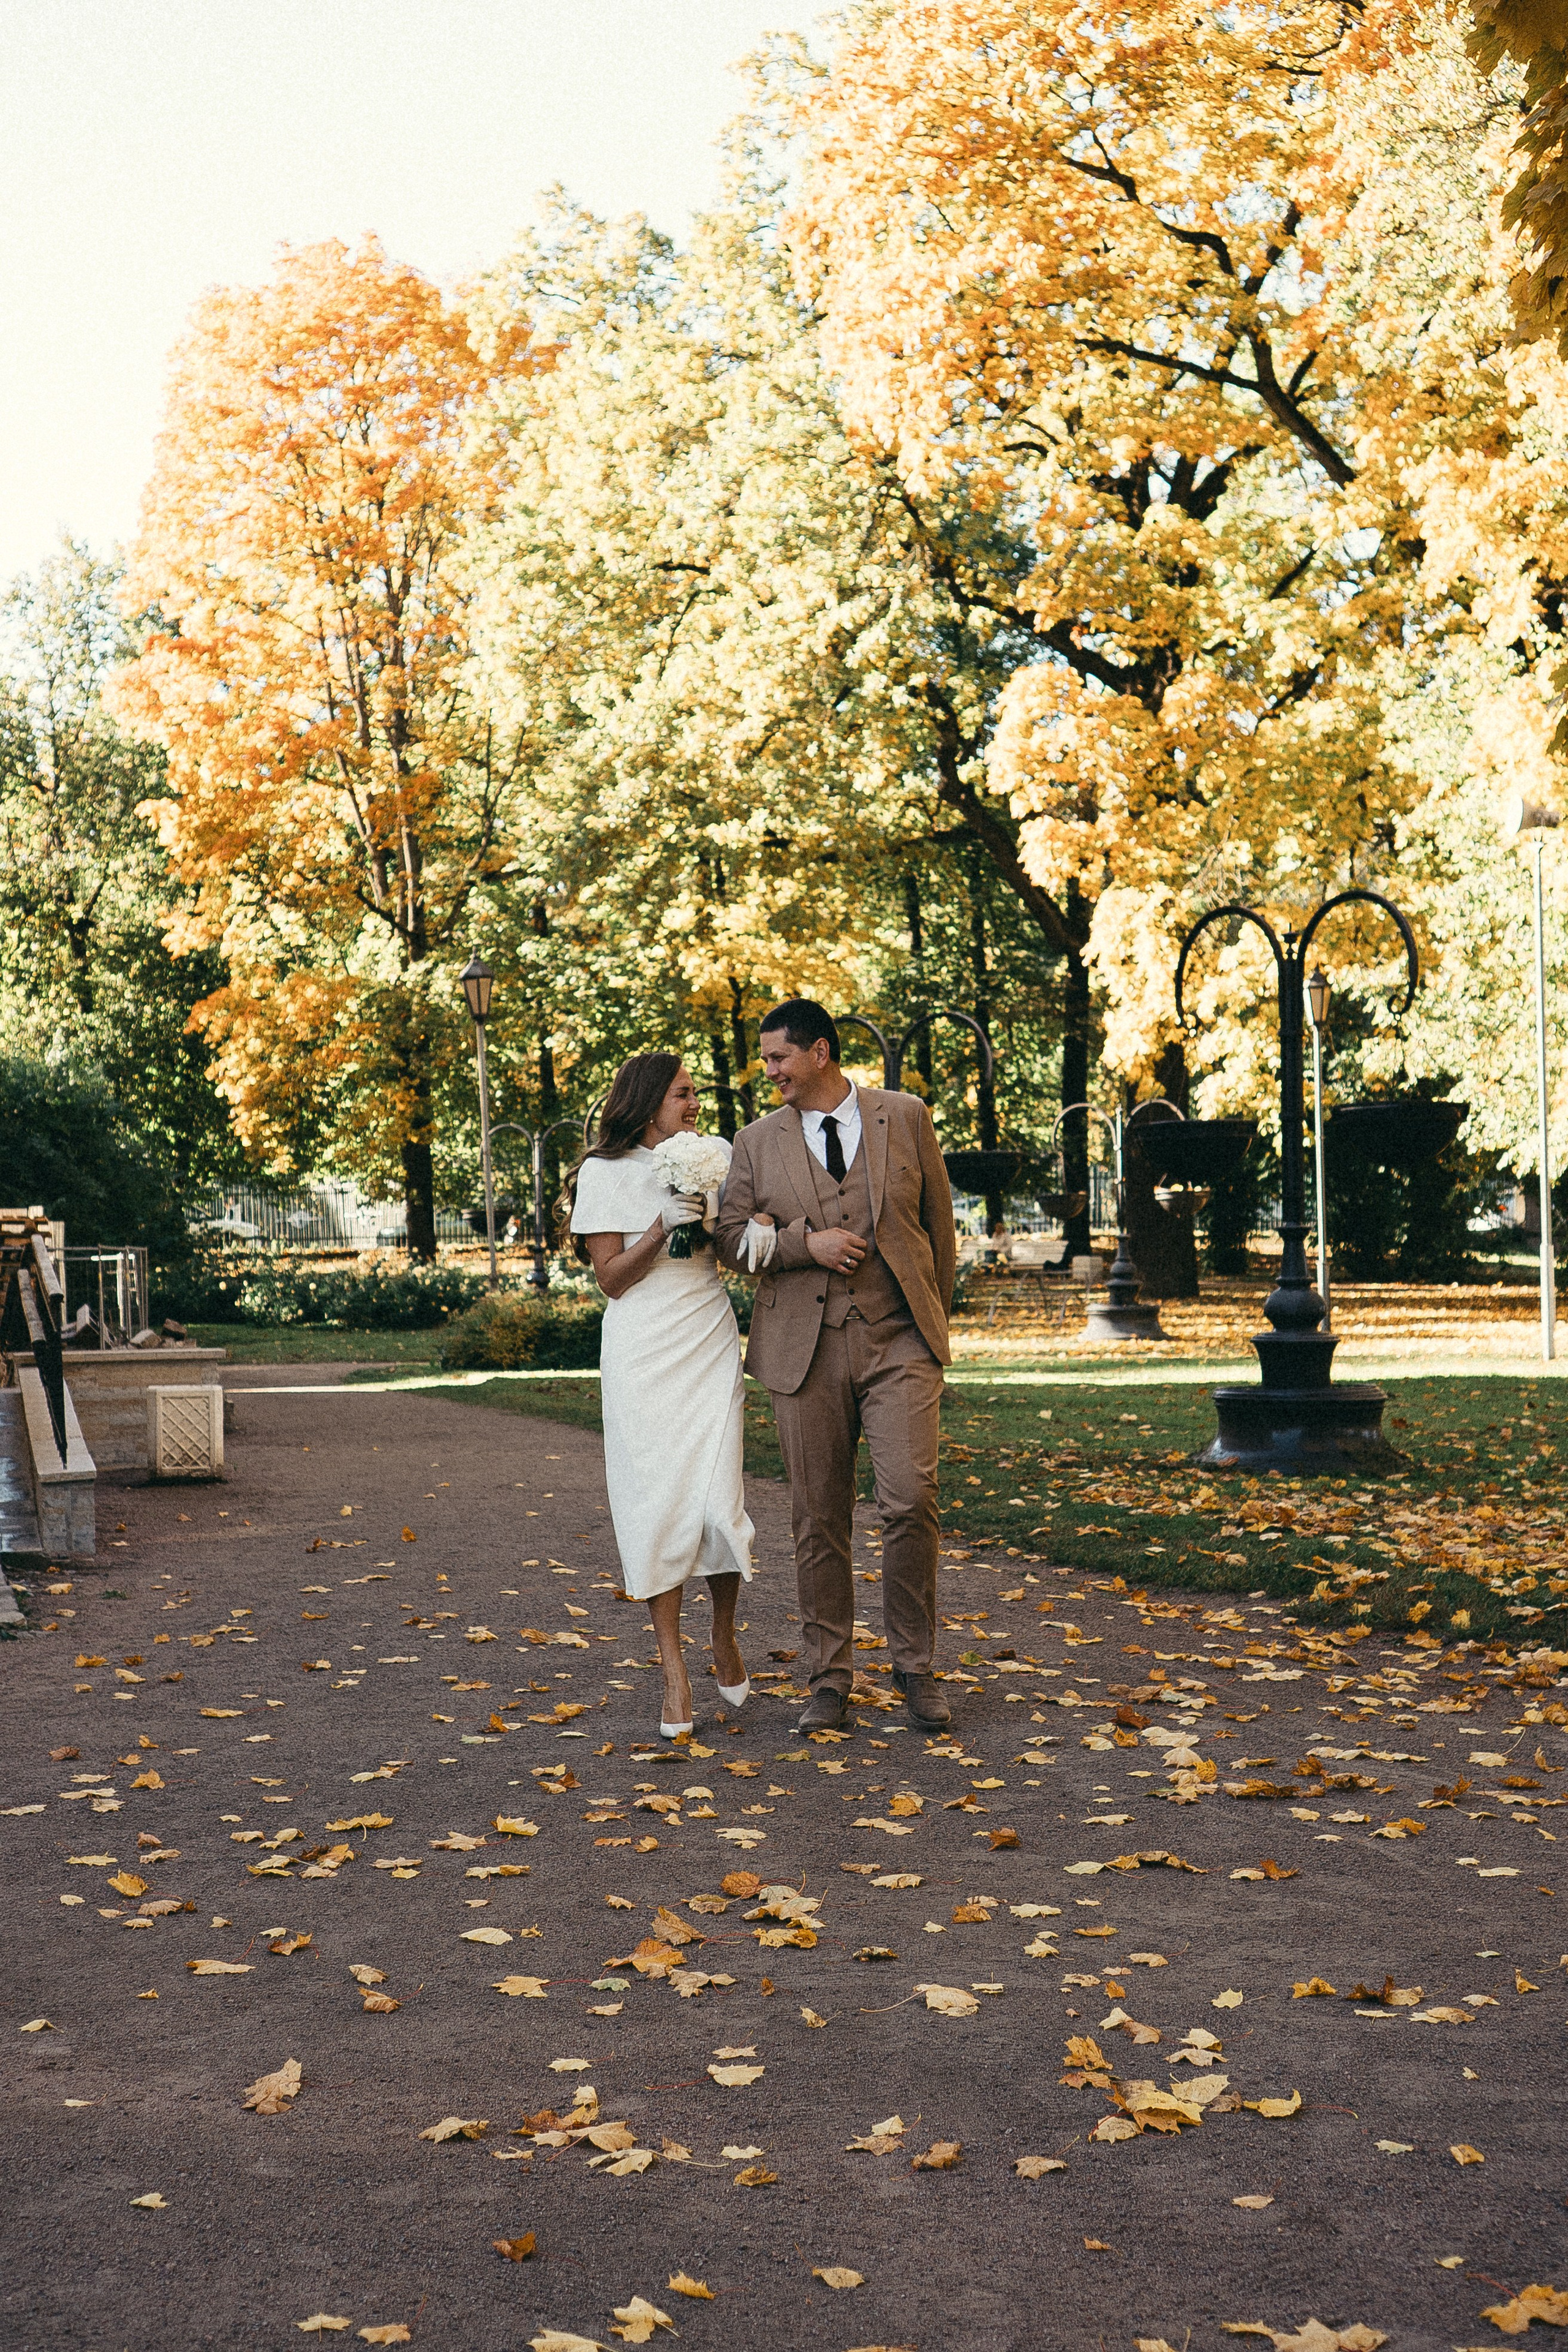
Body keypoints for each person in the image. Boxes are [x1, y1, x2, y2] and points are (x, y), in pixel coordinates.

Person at [715, 998, 957, 1733]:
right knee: (817, 1517)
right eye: (765, 1061)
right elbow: (727, 1238)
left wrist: (927, 1320)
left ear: (820, 1053)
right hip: (804, 1350)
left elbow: (938, 1228)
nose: (770, 1073)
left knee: (911, 1499)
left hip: (898, 1342)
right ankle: (829, 1678)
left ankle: (914, 1666)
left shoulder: (905, 1115)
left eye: (779, 1059)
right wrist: (800, 1244)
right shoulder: (755, 1142)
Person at [567, 1052, 754, 1738]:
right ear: (648, 1104)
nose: (696, 1102)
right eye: (684, 1092)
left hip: (705, 1335)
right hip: (643, 1350)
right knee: (659, 1508)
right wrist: (662, 1225)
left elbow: (733, 1255)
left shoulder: (718, 1156)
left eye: (696, 1091)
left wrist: (718, 1226)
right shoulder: (603, 1173)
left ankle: (724, 1634)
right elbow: (611, 1279)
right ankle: (674, 1673)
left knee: (717, 1503)